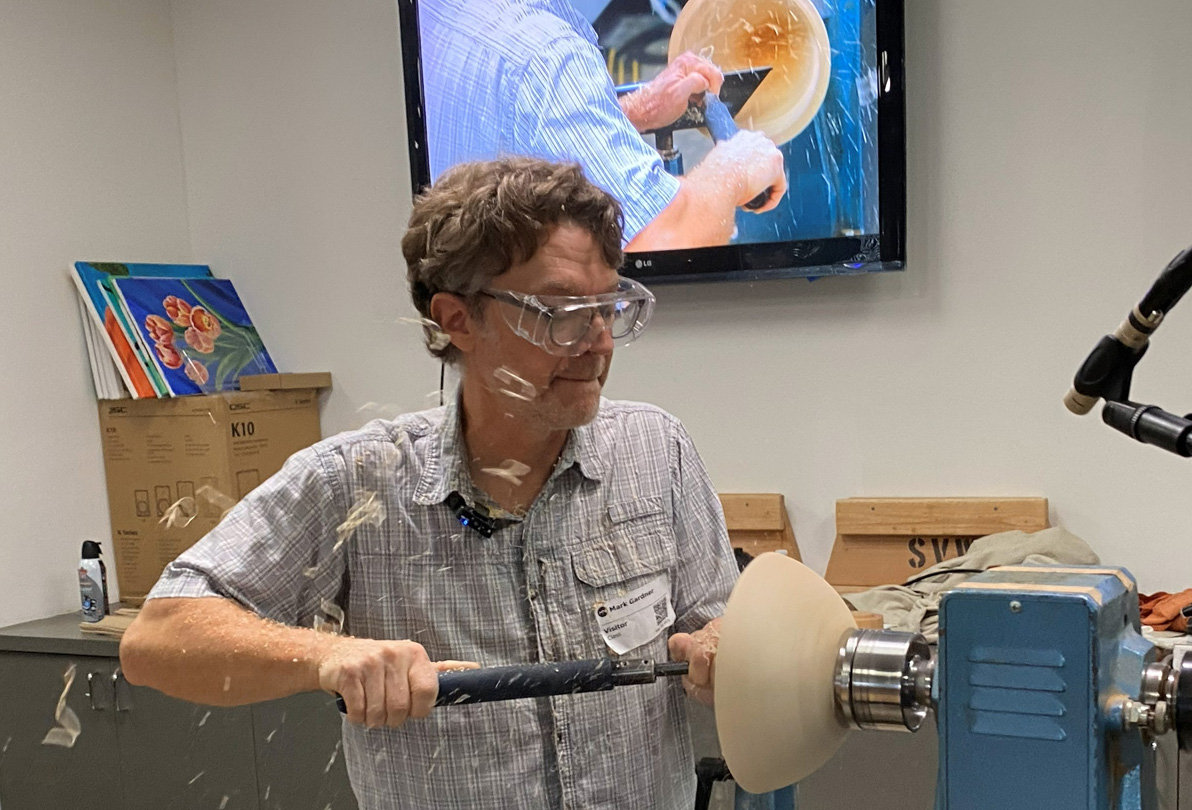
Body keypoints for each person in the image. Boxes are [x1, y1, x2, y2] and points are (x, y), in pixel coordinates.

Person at [120, 156, 738, 809]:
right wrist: (325, 657)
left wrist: (727, 646)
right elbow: (155, 638)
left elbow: (717, 624)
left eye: (608, 305)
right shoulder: (356, 483)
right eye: (559, 310)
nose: (597, 341)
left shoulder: (656, 451)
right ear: (457, 319)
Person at [417, 0, 788, 251]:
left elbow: (513, 129)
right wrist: (733, 171)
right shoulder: (546, 54)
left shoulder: (436, 13)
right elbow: (659, 245)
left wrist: (632, 112)